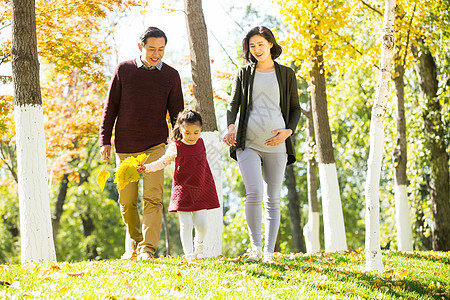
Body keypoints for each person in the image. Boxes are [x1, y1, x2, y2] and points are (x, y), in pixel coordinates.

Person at [99, 27, 184, 261]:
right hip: (125, 145)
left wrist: (179, 144)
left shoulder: (171, 75)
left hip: (155, 145)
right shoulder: (123, 70)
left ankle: (147, 249)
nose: (156, 54)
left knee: (153, 198)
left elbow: (177, 115)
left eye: (161, 49)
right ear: (141, 47)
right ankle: (136, 241)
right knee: (127, 202)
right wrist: (104, 140)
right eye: (151, 49)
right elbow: (110, 107)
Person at [223, 26, 301, 263]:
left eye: (260, 44)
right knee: (254, 191)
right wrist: (230, 127)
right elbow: (232, 104)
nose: (256, 49)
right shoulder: (244, 73)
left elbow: (295, 108)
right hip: (248, 142)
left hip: (277, 145)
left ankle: (269, 252)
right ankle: (255, 247)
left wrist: (288, 131)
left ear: (270, 44)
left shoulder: (286, 74)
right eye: (252, 46)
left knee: (273, 197)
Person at [137, 110, 220, 259]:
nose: (192, 137)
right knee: (186, 224)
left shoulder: (202, 142)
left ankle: (199, 245)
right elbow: (162, 162)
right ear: (180, 129)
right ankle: (188, 254)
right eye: (187, 133)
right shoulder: (176, 146)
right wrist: (147, 168)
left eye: (196, 132)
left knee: (202, 224)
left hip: (201, 189)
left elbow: (217, 147)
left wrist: (227, 141)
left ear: (200, 129)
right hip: (183, 191)